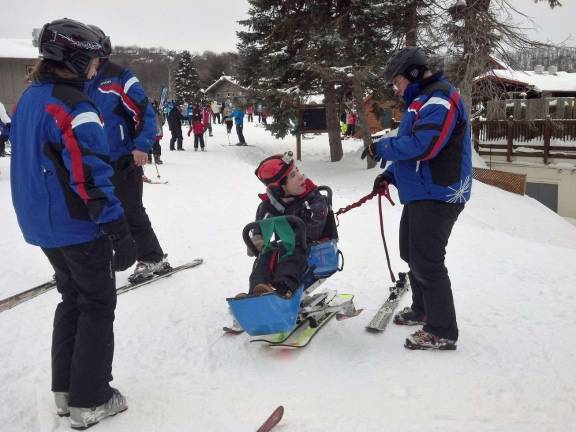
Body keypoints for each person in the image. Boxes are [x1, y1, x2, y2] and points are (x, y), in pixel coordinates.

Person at [10, 18, 134, 429]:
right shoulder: (75, 106)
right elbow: (90, 174)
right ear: (77, 59)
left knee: (72, 299)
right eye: (96, 60)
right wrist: (117, 227)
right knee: (97, 305)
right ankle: (90, 400)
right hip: (77, 225)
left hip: (44, 225)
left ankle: (65, 392)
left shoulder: (32, 97)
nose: (98, 68)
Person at [362, 47, 472, 351]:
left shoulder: (439, 98)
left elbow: (425, 146)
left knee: (428, 261)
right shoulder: (421, 101)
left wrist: (382, 147)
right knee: (411, 254)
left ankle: (442, 331)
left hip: (440, 193)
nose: (396, 89)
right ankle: (422, 309)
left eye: (396, 81)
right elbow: (414, 155)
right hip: (422, 191)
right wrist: (391, 176)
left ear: (411, 73)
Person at [87, 25, 171, 282]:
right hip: (89, 159)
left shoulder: (119, 77)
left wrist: (141, 145)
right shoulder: (75, 79)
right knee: (91, 210)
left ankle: (152, 258)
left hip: (122, 156)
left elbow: (144, 110)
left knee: (130, 210)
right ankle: (96, 258)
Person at [239, 151, 329, 298]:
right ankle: (257, 290)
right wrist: (257, 239)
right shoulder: (269, 206)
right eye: (293, 175)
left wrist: (287, 240)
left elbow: (313, 226)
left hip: (307, 246)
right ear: (279, 189)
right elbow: (259, 226)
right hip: (281, 246)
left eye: (297, 170)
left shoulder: (314, 200)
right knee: (264, 258)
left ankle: (283, 290)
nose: (301, 176)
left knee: (290, 255)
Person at [148, 100, 164, 164]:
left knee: (151, 144)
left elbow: (162, 121)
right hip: (156, 131)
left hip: (153, 131)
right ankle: (156, 158)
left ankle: (150, 158)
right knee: (156, 144)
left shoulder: (148, 111)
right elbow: (163, 121)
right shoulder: (158, 112)